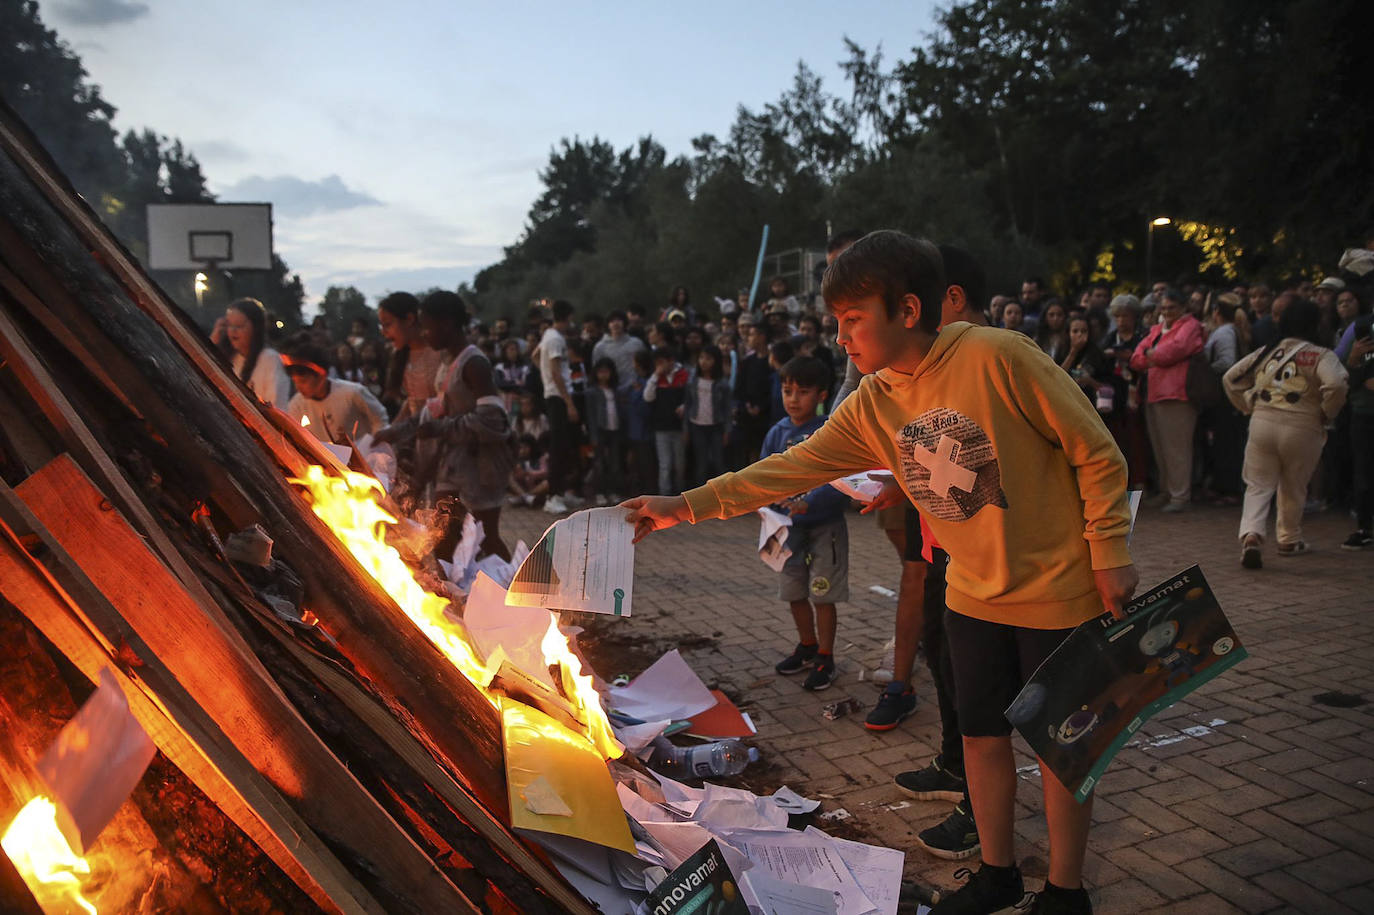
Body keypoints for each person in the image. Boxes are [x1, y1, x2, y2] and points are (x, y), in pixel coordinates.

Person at [625, 231, 1137, 914]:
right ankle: (996, 870)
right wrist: (682, 507)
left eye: (852, 320)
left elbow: (1097, 452)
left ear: (909, 309)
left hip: (1059, 593)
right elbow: (786, 468)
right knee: (981, 738)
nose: (841, 337)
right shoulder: (871, 402)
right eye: (836, 322)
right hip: (971, 595)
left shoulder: (998, 355)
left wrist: (1110, 552)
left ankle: (1066, 892)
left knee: (1061, 752)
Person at [376, 291, 515, 562]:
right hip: (454, 466)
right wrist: (397, 431)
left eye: (427, 327)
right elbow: (435, 409)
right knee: (446, 537)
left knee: (486, 538)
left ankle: (519, 587)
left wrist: (441, 429)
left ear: (447, 324)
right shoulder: (448, 362)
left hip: (480, 468)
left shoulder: (474, 363)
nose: (425, 334)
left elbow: (492, 420)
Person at [1225, 300, 1348, 568]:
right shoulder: (1321, 355)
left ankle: (1252, 534)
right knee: (1294, 484)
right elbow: (1336, 384)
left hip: (1262, 421)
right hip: (1303, 425)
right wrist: (1327, 412)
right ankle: (1289, 539)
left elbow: (1230, 378)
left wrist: (1247, 406)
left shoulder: (1268, 351)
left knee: (1257, 484)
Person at [763, 356, 850, 692]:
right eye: (787, 391)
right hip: (786, 529)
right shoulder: (777, 432)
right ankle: (807, 645)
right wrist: (767, 502)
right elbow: (762, 473)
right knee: (793, 590)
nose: (793, 399)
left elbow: (840, 480)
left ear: (822, 395)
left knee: (822, 593)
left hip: (825, 527)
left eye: (802, 392)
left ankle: (826, 656)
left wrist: (807, 503)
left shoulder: (829, 431)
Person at [1131, 289, 1205, 512]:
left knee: (1177, 447)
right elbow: (1137, 357)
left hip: (1177, 394)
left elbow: (1176, 350)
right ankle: (1166, 491)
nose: (1167, 312)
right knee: (1160, 447)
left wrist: (1153, 355)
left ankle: (1180, 496)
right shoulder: (1157, 329)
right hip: (1154, 394)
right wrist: (1154, 355)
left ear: (1183, 308)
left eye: (1171, 307)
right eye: (1163, 308)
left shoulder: (1191, 326)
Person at [282, 343, 388, 443]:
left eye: (303, 381)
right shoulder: (296, 405)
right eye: (295, 381)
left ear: (322, 376)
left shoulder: (353, 393)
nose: (298, 387)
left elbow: (380, 420)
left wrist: (374, 446)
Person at [1201, 294, 1251, 502]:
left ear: (1216, 312)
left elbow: (1227, 362)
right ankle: (1223, 485)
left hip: (1225, 392)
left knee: (1227, 440)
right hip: (1225, 392)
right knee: (1224, 440)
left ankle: (1230, 488)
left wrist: (1205, 370)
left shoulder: (1224, 332)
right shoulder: (1228, 331)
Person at [539, 300, 584, 515]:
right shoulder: (555, 339)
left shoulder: (548, 335)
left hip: (554, 394)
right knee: (558, 448)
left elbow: (535, 357)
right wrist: (569, 403)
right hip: (558, 397)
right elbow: (557, 373)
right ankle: (552, 496)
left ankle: (561, 491)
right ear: (567, 317)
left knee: (564, 446)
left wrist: (544, 376)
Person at [1099, 295, 1148, 489]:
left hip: (1138, 394)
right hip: (1114, 399)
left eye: (1125, 316)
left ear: (1134, 316)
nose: (1121, 321)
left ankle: (1140, 482)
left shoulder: (1143, 338)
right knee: (1116, 440)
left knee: (1138, 442)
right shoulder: (1108, 339)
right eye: (1117, 316)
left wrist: (1129, 357)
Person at [211, 297, 292, 409]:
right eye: (229, 325)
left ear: (255, 328)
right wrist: (212, 344)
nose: (233, 330)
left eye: (239, 326)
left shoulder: (270, 359)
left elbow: (277, 406)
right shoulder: (231, 358)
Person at [378, 291, 444, 422]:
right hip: (419, 433)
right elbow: (412, 402)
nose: (383, 332)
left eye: (388, 324)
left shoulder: (441, 352)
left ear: (409, 319)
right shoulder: (400, 356)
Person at [1342, 305, 1374, 550]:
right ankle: (1364, 527)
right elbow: (1343, 373)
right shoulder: (1361, 328)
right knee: (1363, 472)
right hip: (1363, 412)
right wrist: (1354, 363)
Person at [682, 344, 731, 486]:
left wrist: (727, 431)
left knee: (718, 461)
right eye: (701, 358)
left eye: (708, 358)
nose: (704, 361)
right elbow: (688, 405)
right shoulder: (693, 381)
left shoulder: (722, 383)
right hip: (697, 426)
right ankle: (700, 495)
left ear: (716, 361)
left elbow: (727, 409)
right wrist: (686, 429)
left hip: (716, 426)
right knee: (701, 462)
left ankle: (723, 492)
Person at [643, 346, 689, 495]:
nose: (660, 366)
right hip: (661, 428)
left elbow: (692, 398)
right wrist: (656, 375)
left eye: (662, 362)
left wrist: (684, 407)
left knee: (680, 464)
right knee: (665, 464)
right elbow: (647, 397)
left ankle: (680, 495)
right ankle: (665, 496)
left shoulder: (684, 375)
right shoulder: (656, 378)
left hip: (679, 427)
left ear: (671, 361)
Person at [584, 357, 626, 506]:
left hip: (615, 429)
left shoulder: (616, 391)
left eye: (606, 372)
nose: (603, 375)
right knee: (599, 464)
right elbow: (590, 415)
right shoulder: (591, 392)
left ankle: (613, 491)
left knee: (615, 463)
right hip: (600, 430)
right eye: (600, 372)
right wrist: (593, 435)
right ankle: (599, 492)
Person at [1060, 315, 1110, 404]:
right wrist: (1073, 352)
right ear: (1068, 333)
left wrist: (1089, 381)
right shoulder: (1062, 350)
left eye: (1083, 331)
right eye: (1075, 331)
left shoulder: (1096, 354)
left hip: (1090, 402)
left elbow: (1106, 387)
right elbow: (1057, 376)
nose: (1079, 334)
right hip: (1066, 400)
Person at [592, 309, 648, 384]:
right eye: (612, 321)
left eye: (619, 320)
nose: (615, 324)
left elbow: (645, 365)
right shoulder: (600, 347)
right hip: (612, 389)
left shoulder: (637, 343)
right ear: (608, 325)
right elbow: (596, 370)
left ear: (625, 323)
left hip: (635, 388)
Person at [507, 435, 549, 507]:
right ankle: (526, 497)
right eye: (521, 447)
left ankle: (524, 497)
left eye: (525, 447)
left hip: (537, 486)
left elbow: (545, 472)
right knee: (508, 478)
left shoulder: (541, 458)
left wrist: (530, 473)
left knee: (547, 483)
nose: (523, 450)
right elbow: (516, 476)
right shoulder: (519, 460)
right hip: (523, 486)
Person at [493, 338, 532, 413]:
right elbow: (500, 384)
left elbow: (527, 384)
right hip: (505, 402)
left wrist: (510, 384)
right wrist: (515, 382)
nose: (514, 352)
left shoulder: (525, 367)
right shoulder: (499, 367)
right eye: (511, 349)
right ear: (505, 351)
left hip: (522, 401)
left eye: (516, 349)